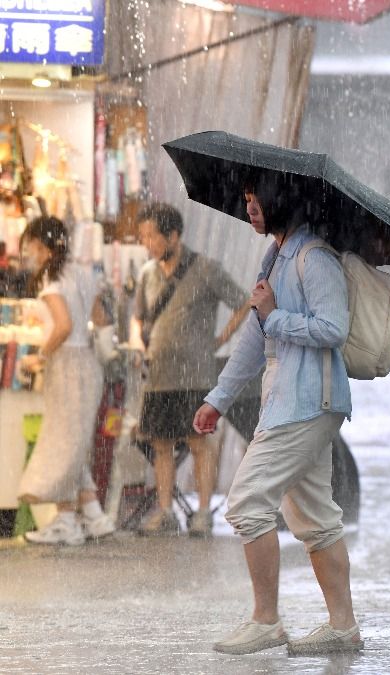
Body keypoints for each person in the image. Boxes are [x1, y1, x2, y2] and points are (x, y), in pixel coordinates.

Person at [192, 181, 362, 655]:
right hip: (288, 400)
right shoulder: (275, 258)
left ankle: (266, 621)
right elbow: (254, 335)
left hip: (307, 402)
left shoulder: (313, 258)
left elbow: (333, 328)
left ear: (281, 201)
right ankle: (343, 626)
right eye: (245, 199)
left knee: (247, 503)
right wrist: (219, 397)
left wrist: (275, 315)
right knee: (315, 518)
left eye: (256, 199)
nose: (249, 208)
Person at [130, 203, 250, 537]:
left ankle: (201, 513)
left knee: (199, 442)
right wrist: (140, 347)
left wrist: (218, 340)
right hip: (158, 376)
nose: (148, 243)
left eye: (152, 236)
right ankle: (166, 511)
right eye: (143, 237)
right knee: (161, 444)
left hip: (196, 375)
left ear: (174, 235)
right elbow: (138, 316)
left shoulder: (206, 269)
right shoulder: (147, 273)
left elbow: (244, 302)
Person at [17, 216, 116, 545]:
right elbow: (100, 318)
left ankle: (65, 520)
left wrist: (39, 356)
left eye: (30, 246)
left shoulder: (52, 277)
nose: (29, 253)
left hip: (67, 366)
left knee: (61, 445)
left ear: (42, 246)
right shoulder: (83, 273)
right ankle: (94, 515)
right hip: (88, 364)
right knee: (73, 444)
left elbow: (62, 324)